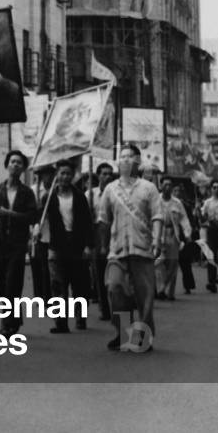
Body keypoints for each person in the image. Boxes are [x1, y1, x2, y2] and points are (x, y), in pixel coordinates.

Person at [98, 144, 163, 353]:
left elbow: (157, 216)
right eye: (122, 157)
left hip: (142, 249)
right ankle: (122, 333)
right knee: (115, 288)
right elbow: (103, 219)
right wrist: (101, 244)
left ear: (138, 161)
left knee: (144, 296)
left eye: (130, 156)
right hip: (117, 250)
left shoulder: (148, 188)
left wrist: (157, 240)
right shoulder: (110, 189)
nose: (125, 160)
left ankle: (142, 337)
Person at [0, 149, 38, 337]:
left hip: (17, 243)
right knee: (0, 284)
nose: (15, 165)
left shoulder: (26, 193)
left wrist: (11, 215)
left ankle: (6, 324)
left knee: (12, 283)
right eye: (12, 161)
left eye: (19, 163)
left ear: (23, 168)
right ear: (7, 165)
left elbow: (32, 216)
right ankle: (14, 318)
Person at [46, 160, 93, 333]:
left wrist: (88, 245)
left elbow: (88, 222)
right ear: (57, 175)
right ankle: (60, 322)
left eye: (68, 173)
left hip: (77, 245)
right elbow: (40, 218)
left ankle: (81, 317)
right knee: (58, 285)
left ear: (73, 176)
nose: (65, 177)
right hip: (57, 245)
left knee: (79, 283)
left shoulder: (79, 196)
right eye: (62, 173)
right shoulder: (49, 197)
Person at [155, 179, 191, 301]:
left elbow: (184, 219)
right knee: (158, 263)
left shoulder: (177, 203)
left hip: (172, 234)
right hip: (159, 233)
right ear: (161, 186)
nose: (168, 187)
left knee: (173, 263)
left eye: (170, 185)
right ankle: (160, 288)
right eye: (165, 185)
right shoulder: (156, 200)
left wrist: (187, 233)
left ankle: (169, 292)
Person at [87, 161, 114, 319]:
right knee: (99, 274)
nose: (107, 177)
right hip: (97, 235)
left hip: (113, 234)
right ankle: (105, 309)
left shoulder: (118, 193)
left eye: (110, 174)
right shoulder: (90, 195)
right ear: (98, 176)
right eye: (104, 173)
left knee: (115, 278)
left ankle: (119, 306)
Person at [31, 166, 54, 303]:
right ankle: (39, 296)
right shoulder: (34, 191)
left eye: (51, 174)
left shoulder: (56, 190)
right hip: (36, 231)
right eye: (46, 174)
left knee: (49, 267)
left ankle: (49, 297)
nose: (49, 177)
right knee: (38, 266)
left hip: (52, 232)